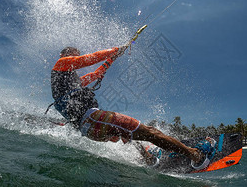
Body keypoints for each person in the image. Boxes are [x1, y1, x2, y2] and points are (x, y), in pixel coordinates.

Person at [50, 46, 209, 167]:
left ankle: (148, 158)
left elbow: (97, 73)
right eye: (73, 55)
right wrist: (116, 49)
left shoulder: (73, 82)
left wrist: (112, 59)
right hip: (93, 120)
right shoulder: (61, 63)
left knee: (128, 132)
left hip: (89, 130)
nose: (75, 57)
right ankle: (196, 156)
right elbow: (89, 59)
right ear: (64, 56)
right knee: (149, 132)